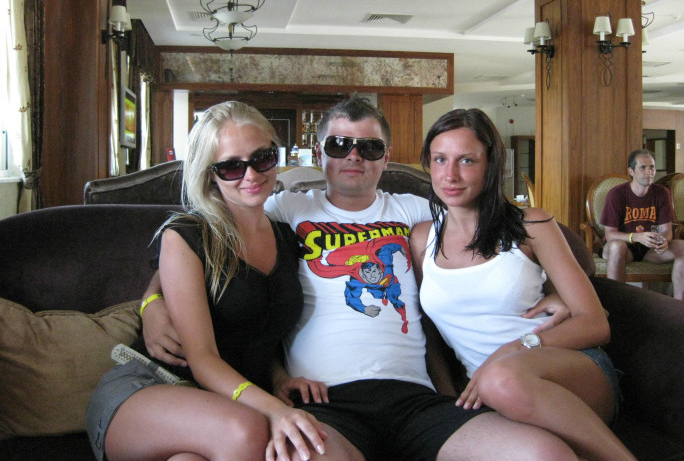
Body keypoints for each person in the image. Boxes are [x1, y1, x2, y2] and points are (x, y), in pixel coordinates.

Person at [142, 97, 582, 461]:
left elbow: (506, 236)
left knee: (543, 454)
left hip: (417, 398)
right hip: (323, 402)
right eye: (339, 145)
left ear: (386, 158)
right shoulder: (283, 209)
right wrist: (152, 301)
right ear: (320, 156)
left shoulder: (417, 211)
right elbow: (203, 242)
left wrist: (558, 292)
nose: (353, 156)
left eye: (369, 148)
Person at [85, 101, 327, 461]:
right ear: (210, 174)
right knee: (246, 431)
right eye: (231, 166)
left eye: (262, 158)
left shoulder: (288, 237)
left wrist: (279, 379)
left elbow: (262, 331)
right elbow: (202, 358)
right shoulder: (187, 235)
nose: (251, 174)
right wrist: (275, 410)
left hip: (222, 401)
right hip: (154, 385)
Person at [410, 108, 636, 461]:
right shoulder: (422, 239)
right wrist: (443, 392)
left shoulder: (531, 225)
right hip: (488, 394)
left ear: (490, 165)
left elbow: (595, 323)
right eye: (440, 159)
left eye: (467, 160)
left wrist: (514, 349)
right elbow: (427, 330)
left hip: (566, 372)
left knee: (502, 378)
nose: (450, 174)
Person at [600, 149, 684, 301]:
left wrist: (664, 241)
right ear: (631, 171)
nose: (649, 172)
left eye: (652, 167)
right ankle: (617, 305)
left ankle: (680, 306)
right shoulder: (616, 194)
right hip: (624, 247)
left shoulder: (662, 193)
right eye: (643, 167)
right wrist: (636, 237)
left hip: (650, 248)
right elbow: (610, 235)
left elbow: (667, 230)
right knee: (617, 246)